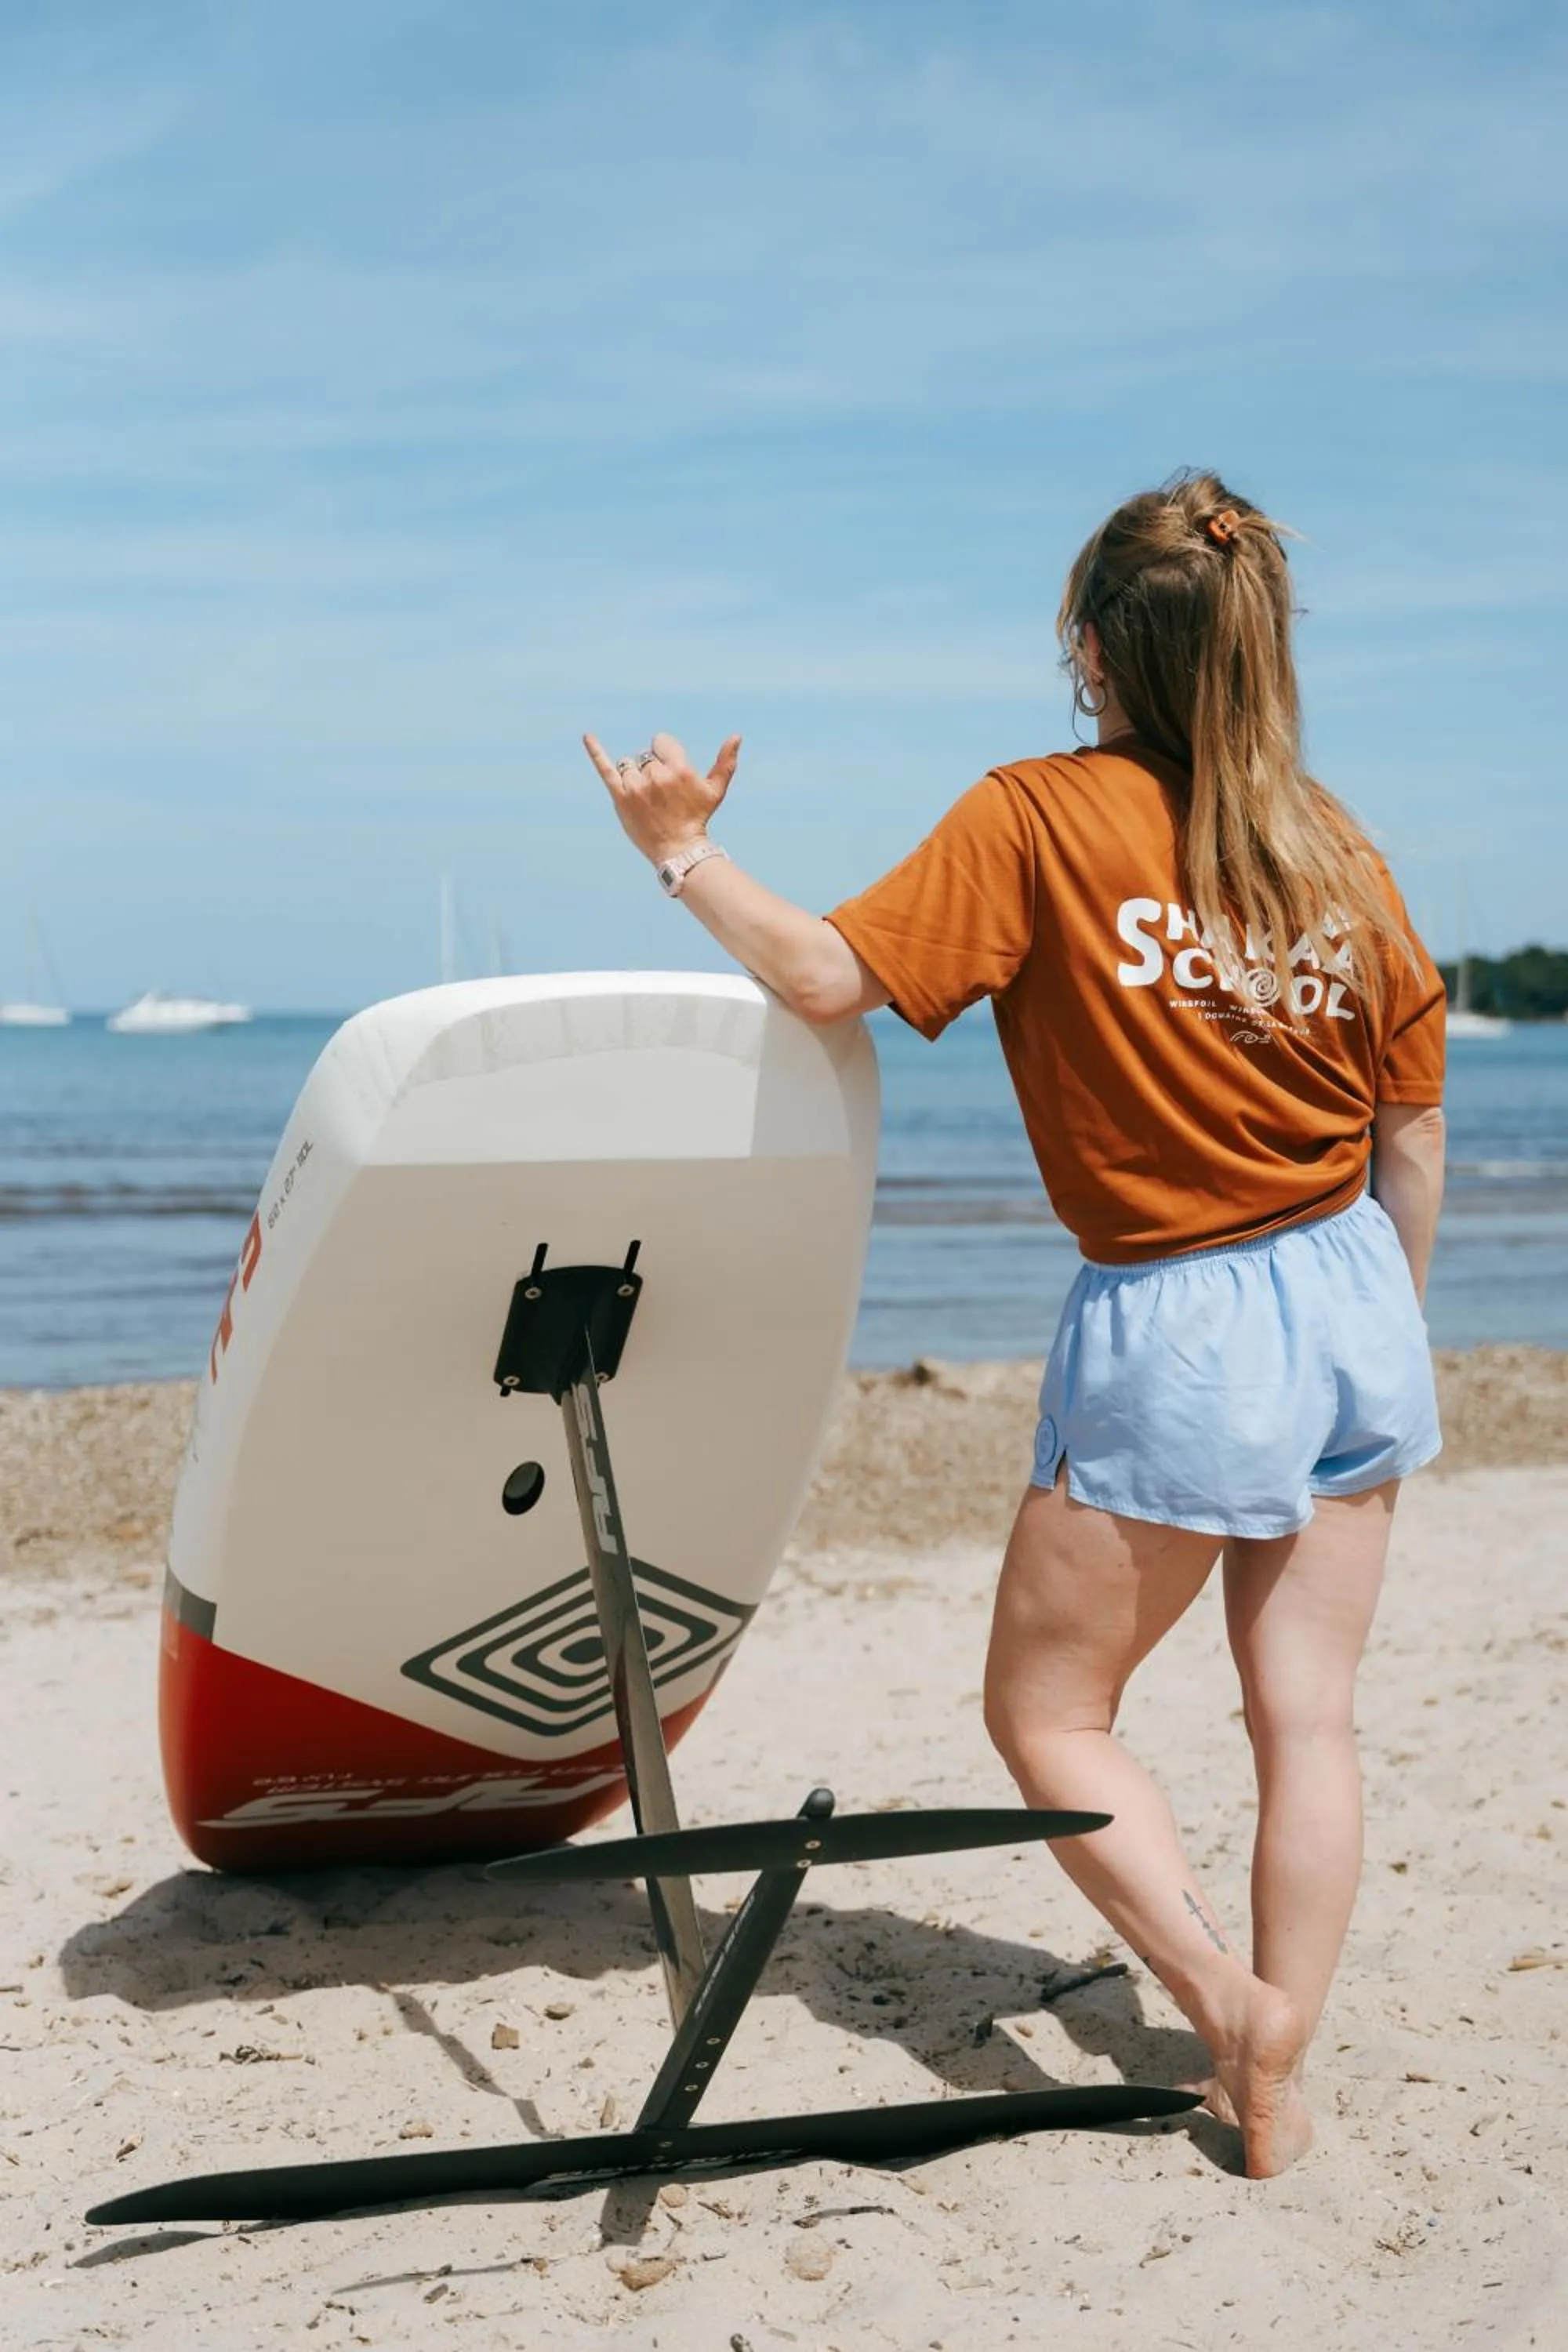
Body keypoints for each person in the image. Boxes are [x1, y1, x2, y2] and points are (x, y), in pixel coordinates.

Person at [582, 468, 1446, 2179]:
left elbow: (832, 978)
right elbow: (1409, 1130)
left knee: (1051, 1715)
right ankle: (1278, 2061)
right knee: (1308, 1718)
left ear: (1084, 643)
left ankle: (1227, 2007)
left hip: (1181, 1319)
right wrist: (1383, 1334)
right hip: (1352, 1294)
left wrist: (681, 850)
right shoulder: (1334, 846)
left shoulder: (1040, 816)